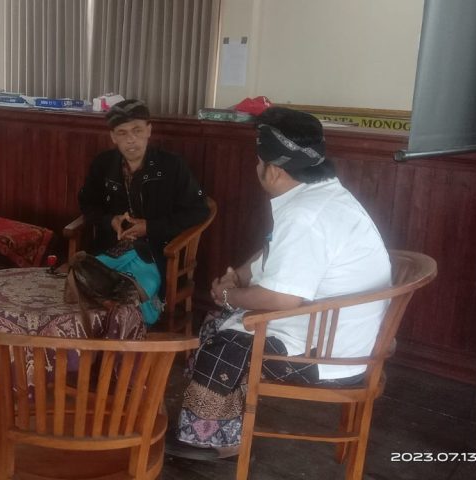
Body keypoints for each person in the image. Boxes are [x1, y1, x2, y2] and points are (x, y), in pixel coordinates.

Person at [172, 107, 391, 458]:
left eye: (259, 161)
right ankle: (224, 429)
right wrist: (240, 275)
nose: (257, 167)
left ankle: (205, 438)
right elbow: (277, 250)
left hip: (328, 353)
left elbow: (283, 299)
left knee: (225, 344)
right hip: (340, 331)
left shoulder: (305, 216)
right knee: (218, 324)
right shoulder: (322, 194)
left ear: (273, 169)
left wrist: (230, 295)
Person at [77, 99, 210, 325]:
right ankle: (97, 339)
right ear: (113, 137)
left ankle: (126, 339)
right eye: (122, 133)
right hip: (110, 250)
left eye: (137, 130)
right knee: (82, 283)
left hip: (156, 253)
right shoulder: (103, 164)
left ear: (149, 130)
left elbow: (199, 211)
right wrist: (111, 221)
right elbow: (87, 204)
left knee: (132, 294)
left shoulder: (172, 166)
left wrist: (150, 227)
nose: (131, 139)